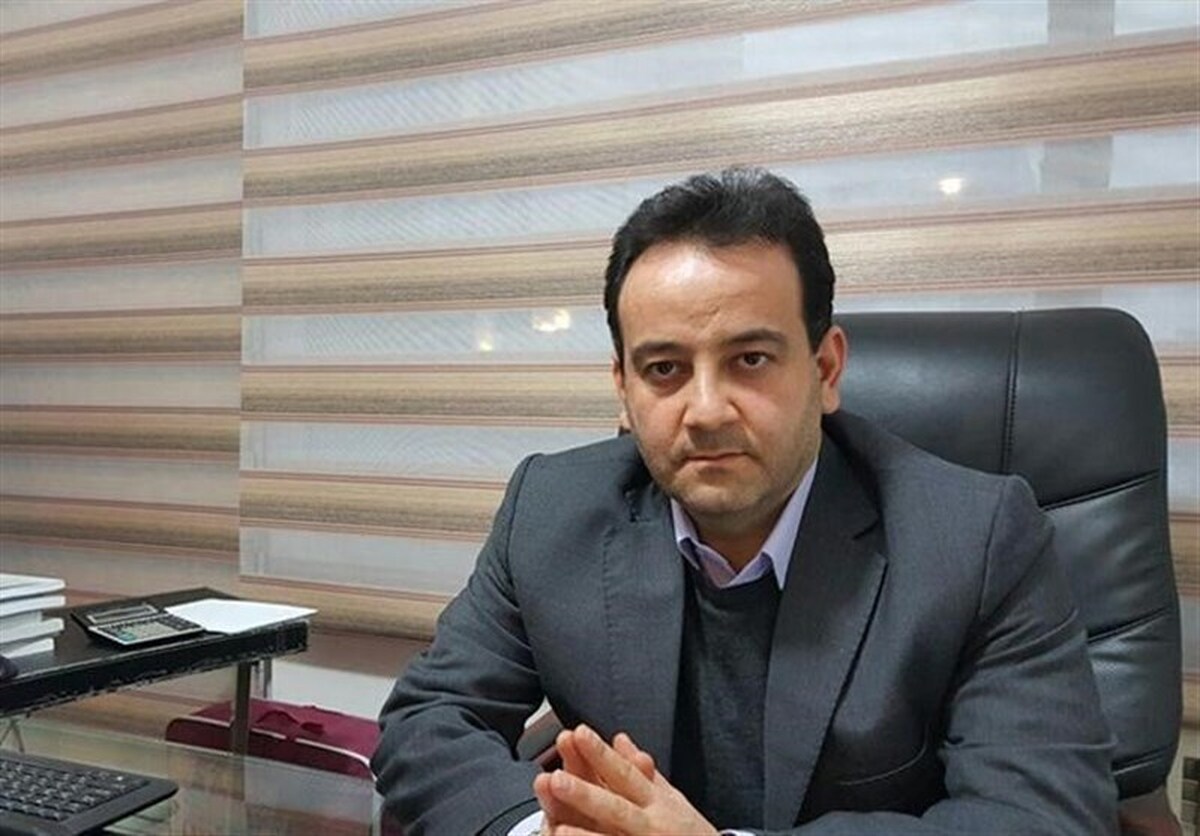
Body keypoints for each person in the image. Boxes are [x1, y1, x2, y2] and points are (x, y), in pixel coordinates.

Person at [371, 168, 1118, 835]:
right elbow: (429, 717)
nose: (706, 411)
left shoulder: (977, 539)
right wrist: (541, 830)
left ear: (826, 370)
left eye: (750, 359)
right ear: (623, 390)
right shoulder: (550, 509)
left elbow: (1041, 815)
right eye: (664, 369)